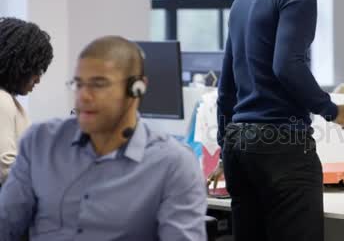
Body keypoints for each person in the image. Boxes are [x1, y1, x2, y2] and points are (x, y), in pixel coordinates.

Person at [209, 0, 344, 241]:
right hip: (282, 147)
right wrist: (333, 110)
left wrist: (225, 146)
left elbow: (227, 86)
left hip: (239, 147)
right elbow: (287, 66)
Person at [0, 36, 207, 241]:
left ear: (137, 88)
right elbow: (6, 224)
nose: (84, 96)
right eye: (79, 84)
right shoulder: (41, 142)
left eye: (98, 84)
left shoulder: (173, 164)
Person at [0, 17, 53, 185]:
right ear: (17, 65)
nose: (37, 80)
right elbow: (5, 167)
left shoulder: (8, 100)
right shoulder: (2, 101)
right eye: (35, 70)